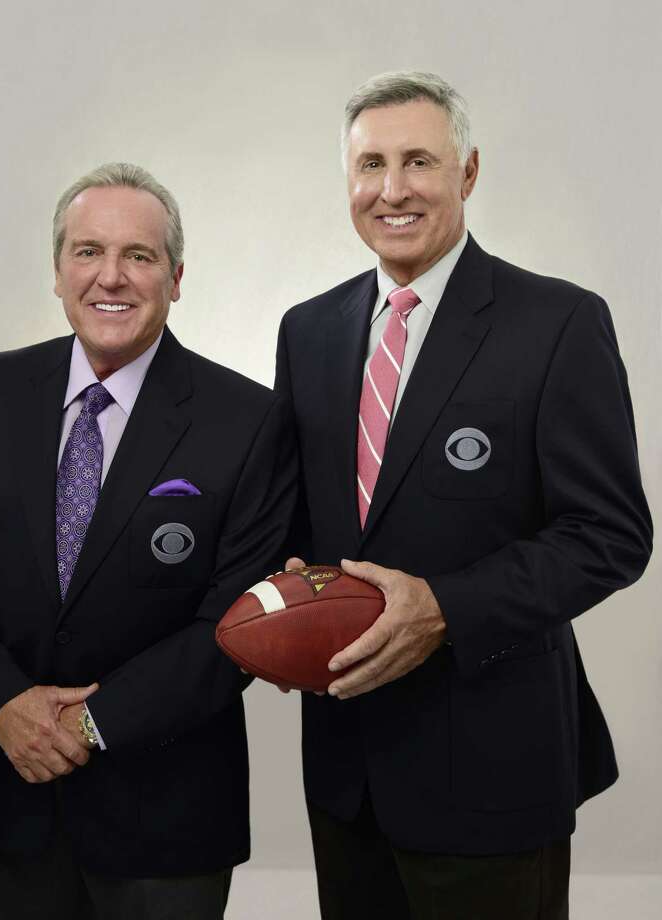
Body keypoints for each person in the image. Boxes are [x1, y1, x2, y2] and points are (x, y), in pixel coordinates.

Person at [275, 72, 652, 919]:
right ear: (348, 181)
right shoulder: (308, 330)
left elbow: (611, 534)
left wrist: (443, 607)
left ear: (469, 172)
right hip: (348, 766)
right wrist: (286, 593)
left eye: (419, 161)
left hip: (494, 761)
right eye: (371, 164)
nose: (393, 189)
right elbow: (306, 518)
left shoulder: (557, 323)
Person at [0, 162, 296, 920]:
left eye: (139, 256)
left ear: (176, 277)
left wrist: (88, 724)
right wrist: (4, 704)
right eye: (87, 251)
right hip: (14, 796)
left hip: (168, 813)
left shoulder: (247, 421)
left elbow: (238, 621)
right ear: (57, 271)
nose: (109, 276)